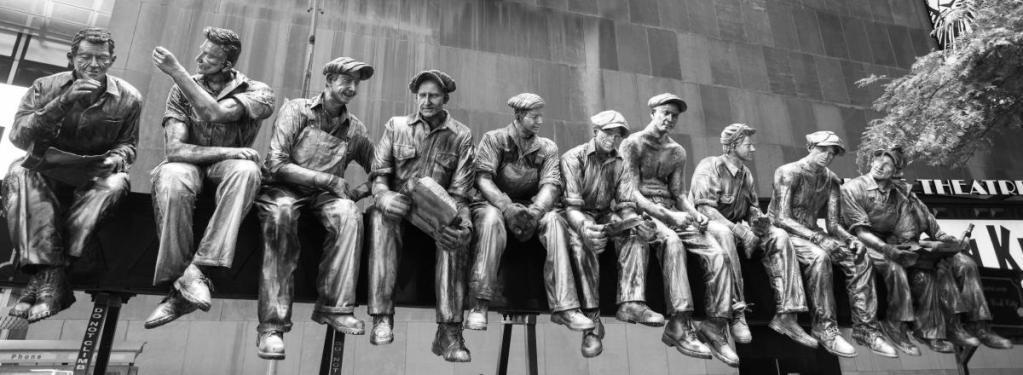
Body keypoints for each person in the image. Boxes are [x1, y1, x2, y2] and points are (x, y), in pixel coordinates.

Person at [4, 27, 142, 323]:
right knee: (19, 171)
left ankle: (46, 278)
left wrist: (116, 159)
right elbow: (17, 137)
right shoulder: (44, 87)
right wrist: (61, 103)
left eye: (101, 58)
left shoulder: (130, 97)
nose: (94, 64)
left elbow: (128, 145)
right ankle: (54, 276)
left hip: (95, 174)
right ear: (72, 57)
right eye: (86, 57)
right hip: (48, 170)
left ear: (112, 60)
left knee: (117, 182)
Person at [145, 27, 275, 329]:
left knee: (247, 171)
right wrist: (229, 151)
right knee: (172, 177)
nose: (199, 59)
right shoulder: (181, 90)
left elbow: (213, 113)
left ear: (227, 64)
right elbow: (175, 150)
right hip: (190, 162)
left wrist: (176, 71)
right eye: (201, 52)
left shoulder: (258, 92)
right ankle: (187, 280)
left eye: (209, 56)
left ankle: (198, 268)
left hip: (228, 167)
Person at [252, 57, 375, 359]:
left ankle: (335, 307)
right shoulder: (297, 110)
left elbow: (382, 170)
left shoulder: (356, 130)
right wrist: (328, 179)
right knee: (281, 216)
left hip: (325, 198)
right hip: (283, 189)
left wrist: (359, 192)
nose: (352, 87)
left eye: (356, 82)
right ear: (329, 80)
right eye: (346, 80)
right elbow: (275, 162)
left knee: (349, 214)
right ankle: (272, 327)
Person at [841, 147, 1012, 353]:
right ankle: (925, 328)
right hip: (886, 247)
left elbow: (935, 231)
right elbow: (871, 233)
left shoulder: (905, 196)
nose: (880, 166)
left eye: (888, 165)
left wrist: (952, 242)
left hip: (914, 246)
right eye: (878, 160)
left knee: (966, 264)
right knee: (925, 273)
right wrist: (896, 247)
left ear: (897, 172)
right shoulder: (855, 189)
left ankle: (979, 326)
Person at [619, 93, 737, 366]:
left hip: (673, 210)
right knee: (671, 242)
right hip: (644, 210)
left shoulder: (677, 151)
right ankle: (680, 323)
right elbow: (630, 192)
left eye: (674, 115)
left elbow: (679, 193)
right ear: (653, 113)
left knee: (718, 254)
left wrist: (695, 214)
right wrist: (667, 215)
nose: (670, 119)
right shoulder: (633, 144)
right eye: (665, 113)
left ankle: (716, 324)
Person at [366, 70, 474, 362]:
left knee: (454, 236)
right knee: (379, 218)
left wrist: (463, 224)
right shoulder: (396, 126)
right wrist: (384, 196)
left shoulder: (461, 135)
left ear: (445, 98)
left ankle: (449, 331)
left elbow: (461, 194)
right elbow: (379, 175)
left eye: (433, 96)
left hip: (436, 210)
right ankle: (382, 317)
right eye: (422, 95)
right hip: (399, 206)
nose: (426, 101)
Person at [464, 93, 593, 333]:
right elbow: (483, 179)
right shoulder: (494, 139)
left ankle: (565, 307)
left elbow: (551, 185)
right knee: (491, 221)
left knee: (555, 221)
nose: (540, 121)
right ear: (519, 115)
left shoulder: (548, 147)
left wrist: (535, 212)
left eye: (541, 116)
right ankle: (479, 304)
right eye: (534, 117)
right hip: (494, 204)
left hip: (532, 207)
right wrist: (506, 207)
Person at [767, 131, 896, 358]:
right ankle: (825, 328)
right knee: (819, 257)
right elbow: (781, 218)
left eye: (832, 153)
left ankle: (866, 329)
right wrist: (819, 239)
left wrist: (851, 240)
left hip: (812, 232)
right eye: (823, 149)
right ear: (810, 147)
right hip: (785, 234)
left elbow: (833, 224)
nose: (827, 155)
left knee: (859, 258)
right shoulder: (788, 172)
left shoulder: (832, 180)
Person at [689, 123, 817, 349]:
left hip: (740, 230)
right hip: (709, 228)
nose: (753, 149)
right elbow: (705, 209)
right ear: (732, 145)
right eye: (748, 145)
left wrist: (758, 222)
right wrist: (739, 231)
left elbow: (752, 208)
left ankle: (788, 314)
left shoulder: (746, 174)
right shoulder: (709, 166)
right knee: (725, 234)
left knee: (779, 236)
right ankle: (737, 312)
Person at [560, 110, 670, 358]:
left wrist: (636, 223)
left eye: (617, 135)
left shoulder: (621, 163)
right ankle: (591, 321)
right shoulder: (573, 158)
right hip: (578, 216)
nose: (613, 139)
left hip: (605, 214)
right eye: (608, 133)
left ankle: (631, 302)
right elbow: (571, 208)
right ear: (595, 131)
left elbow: (625, 205)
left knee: (635, 236)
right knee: (582, 244)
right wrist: (585, 228)